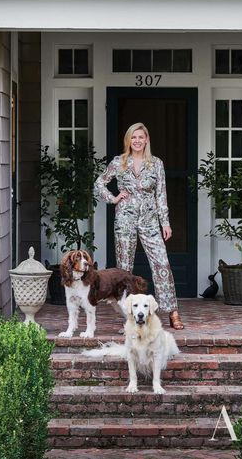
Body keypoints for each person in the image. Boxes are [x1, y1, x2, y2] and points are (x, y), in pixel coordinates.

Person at [95, 122, 184, 329]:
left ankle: (173, 312)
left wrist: (166, 223)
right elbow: (99, 183)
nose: (137, 141)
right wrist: (113, 198)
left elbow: (161, 195)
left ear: (146, 140)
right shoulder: (118, 162)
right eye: (133, 137)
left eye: (141, 137)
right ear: (128, 140)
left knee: (162, 264)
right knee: (124, 270)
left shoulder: (156, 164)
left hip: (150, 221)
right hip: (125, 221)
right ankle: (129, 318)